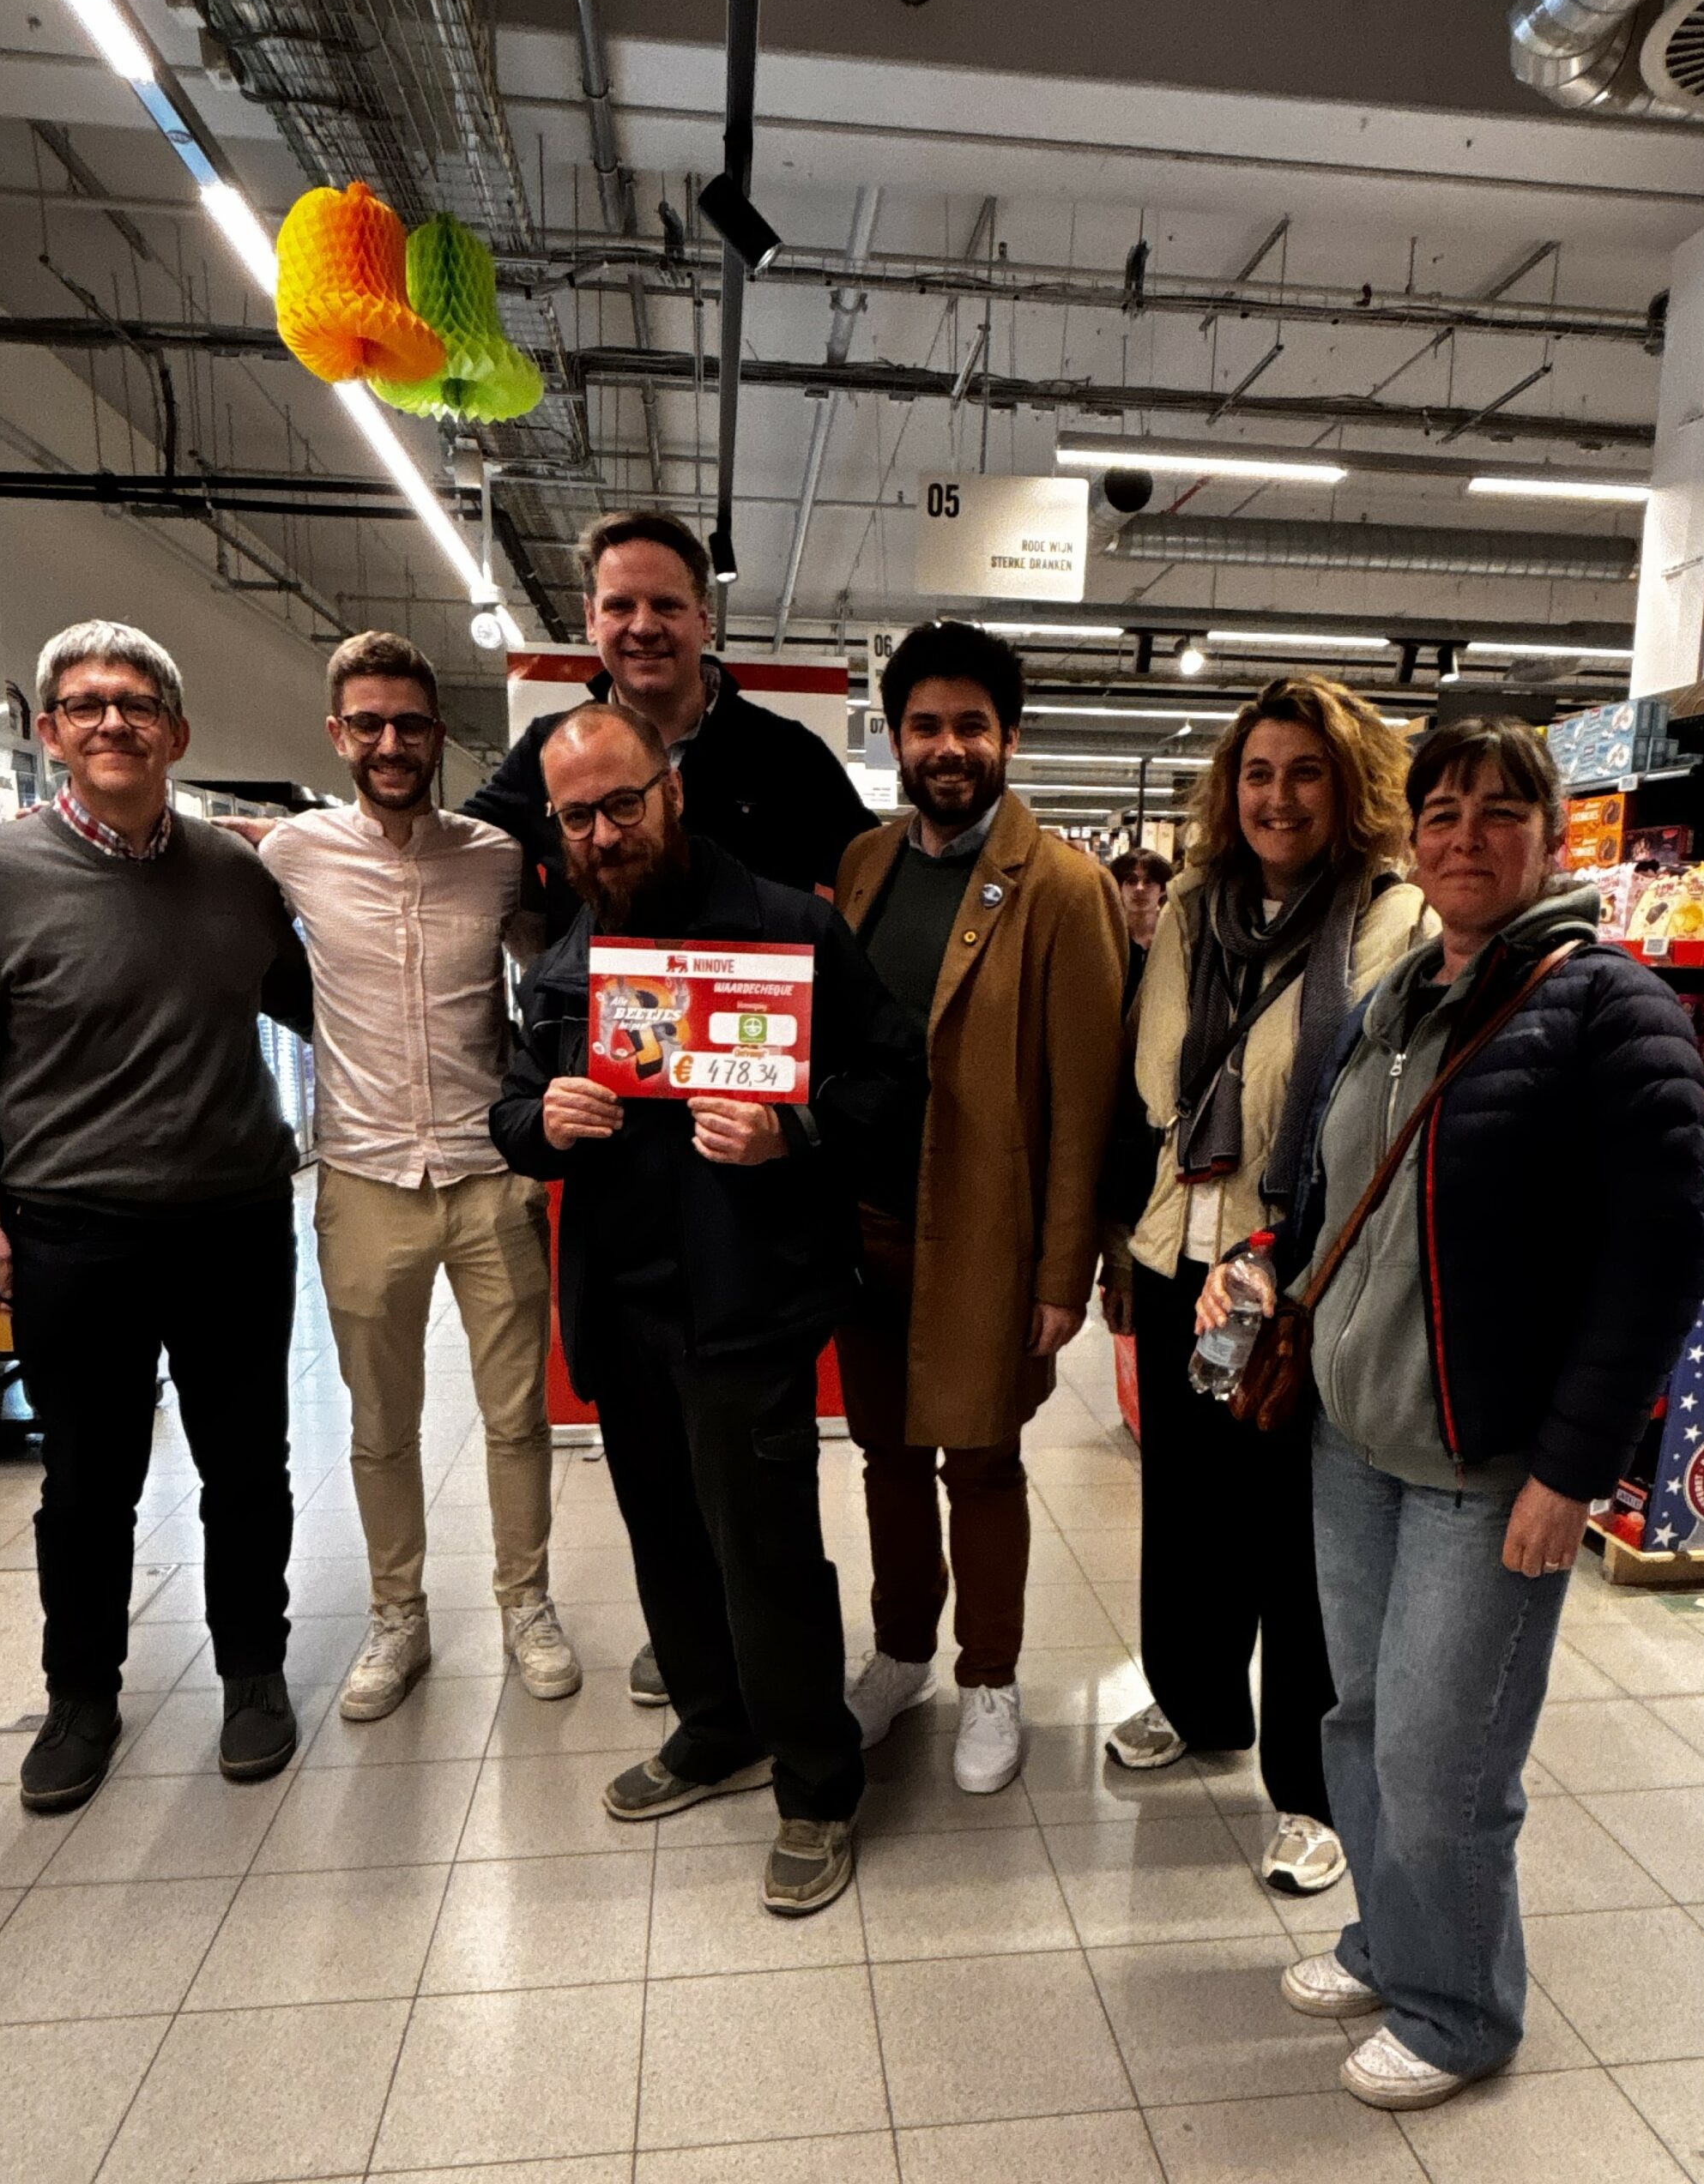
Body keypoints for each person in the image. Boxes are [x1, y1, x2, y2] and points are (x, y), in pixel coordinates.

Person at [1217, 714, 1704, 2107]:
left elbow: (1663, 1254)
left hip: (1484, 1465)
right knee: (1359, 1725)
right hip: (1352, 1443)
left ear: (1549, 839)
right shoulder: (1389, 1004)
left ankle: (1459, 2012)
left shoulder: (1608, 1008)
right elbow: (1330, 1199)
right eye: (1439, 812)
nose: (1463, 837)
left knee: (1444, 1760)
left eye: (1499, 812)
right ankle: (1390, 1943)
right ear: (1410, 838)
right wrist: (1260, 1268)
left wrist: (1572, 1470)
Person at [489, 702, 922, 1916]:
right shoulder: (571, 958)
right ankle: (715, 1724)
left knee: (767, 1558)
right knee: (665, 1543)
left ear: (671, 792)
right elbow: (511, 1108)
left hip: (747, 1305)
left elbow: (896, 1078)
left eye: (623, 803)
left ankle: (817, 1784)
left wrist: (797, 1129)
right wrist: (542, 1122)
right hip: (622, 1309)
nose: (603, 832)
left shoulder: (790, 930)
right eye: (577, 816)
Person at [467, 508, 874, 1706]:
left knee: (762, 1519)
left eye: (665, 604)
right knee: (661, 1507)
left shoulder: (782, 762)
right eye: (617, 606)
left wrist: (799, 1089)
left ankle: (796, 1730)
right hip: (624, 1208)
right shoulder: (550, 759)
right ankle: (709, 1692)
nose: (641, 626)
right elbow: (455, 858)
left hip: (746, 1214)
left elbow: (864, 896)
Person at [0, 621, 312, 1813]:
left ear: (178, 733)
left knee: (247, 1466)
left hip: (235, 1222)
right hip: (73, 1229)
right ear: (49, 731)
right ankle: (80, 1697)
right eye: (87, 704)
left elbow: (320, 1008)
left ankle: (253, 1671)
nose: (114, 721)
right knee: (88, 1482)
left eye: (139, 703)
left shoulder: (238, 875)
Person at [1103, 676, 1428, 1894]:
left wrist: (1276, 1244)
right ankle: (1195, 1703)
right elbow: (1152, 1079)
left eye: (1305, 773)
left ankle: (1311, 1788)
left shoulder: (1391, 916)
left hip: (1300, 1271)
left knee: (1300, 1538)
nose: (1277, 798)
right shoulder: (1194, 910)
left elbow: (1364, 1106)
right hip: (1178, 1255)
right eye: (1257, 773)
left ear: (1351, 787)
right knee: (1186, 1508)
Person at [253, 631, 579, 1723]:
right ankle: (399, 1615)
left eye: (410, 724)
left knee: (516, 1415)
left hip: (490, 1175)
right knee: (381, 1425)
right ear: (337, 733)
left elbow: (551, 970)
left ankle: (526, 1602)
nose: (390, 743)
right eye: (369, 723)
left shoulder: (494, 856)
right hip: (364, 1179)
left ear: (440, 736)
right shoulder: (291, 856)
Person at [832, 621, 1127, 1795]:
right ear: (894, 739)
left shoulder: (1063, 886)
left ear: (1008, 737)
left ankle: (990, 1675)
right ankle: (902, 1652)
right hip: (865, 1225)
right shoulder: (865, 865)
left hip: (988, 1232)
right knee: (887, 1458)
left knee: (983, 1461)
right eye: (924, 726)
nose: (946, 747)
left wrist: (1063, 1274)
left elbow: (1086, 1103)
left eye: (970, 725)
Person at [1110, 845, 1171, 1011]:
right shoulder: (1109, 937)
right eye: (1131, 881)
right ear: (1119, 887)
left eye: (1149, 882)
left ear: (1163, 889)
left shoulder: (1171, 937)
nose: (1139, 888)